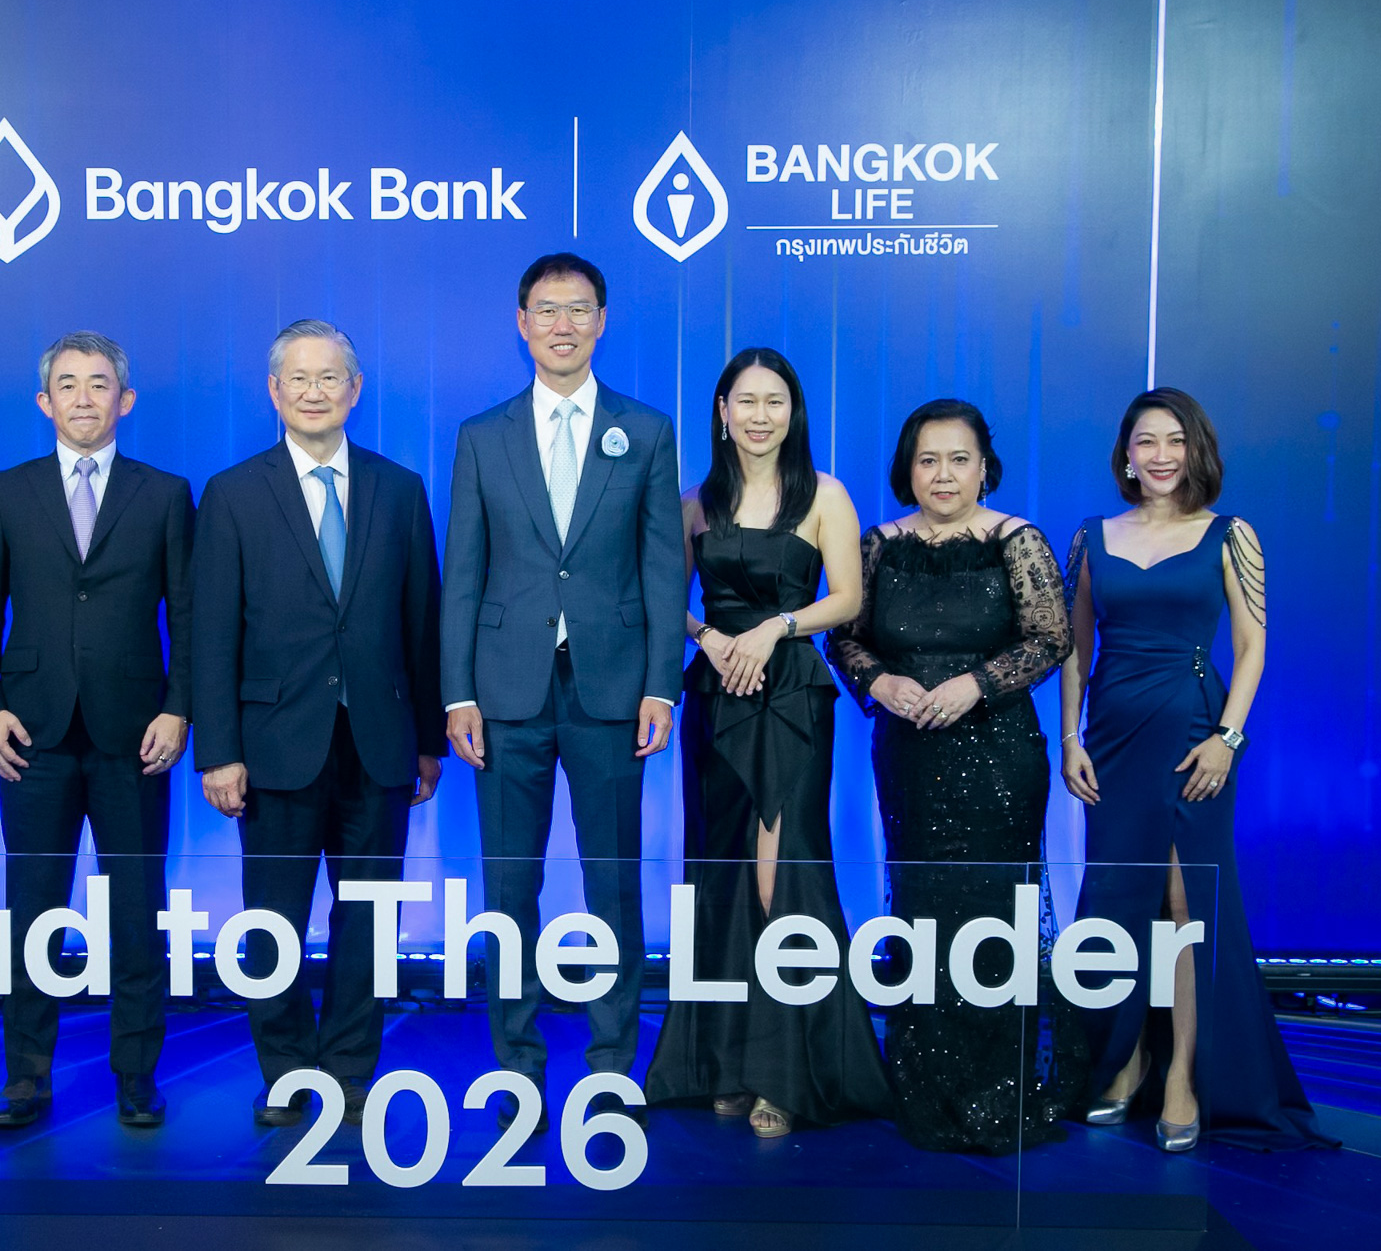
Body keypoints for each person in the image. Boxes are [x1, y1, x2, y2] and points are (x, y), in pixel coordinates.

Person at [441, 253, 684, 1125]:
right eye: (546, 310)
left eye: (579, 309)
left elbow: (664, 568)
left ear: (602, 321)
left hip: (613, 691)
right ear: (521, 322)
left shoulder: (646, 430)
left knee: (613, 881)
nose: (563, 325)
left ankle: (613, 1064)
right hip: (503, 694)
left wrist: (662, 685)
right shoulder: (482, 435)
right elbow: (462, 574)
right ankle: (517, 1066)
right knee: (510, 887)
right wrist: (457, 694)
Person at [1061, 388, 1337, 1152]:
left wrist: (1228, 738)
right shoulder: (1091, 538)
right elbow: (1075, 650)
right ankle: (1125, 1059)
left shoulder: (1230, 534)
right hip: (1112, 734)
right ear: (1126, 454)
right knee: (1119, 898)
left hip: (1192, 729)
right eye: (1146, 441)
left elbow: (1251, 647)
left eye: (1175, 441)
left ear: (1196, 451)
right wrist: (1069, 738)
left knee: (1187, 906)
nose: (1160, 455)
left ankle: (1183, 1071)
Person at [192, 319, 444, 1128]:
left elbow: (422, 622)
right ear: (274, 391)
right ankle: (286, 1072)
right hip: (271, 746)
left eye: (329, 377)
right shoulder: (232, 493)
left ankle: (350, 1070)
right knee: (272, 921)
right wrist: (218, 750)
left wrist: (429, 741)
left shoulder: (399, 489)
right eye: (298, 378)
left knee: (368, 919)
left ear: (354, 389)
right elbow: (210, 632)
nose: (313, 392)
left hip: (380, 743)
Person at [826, 398, 1085, 1155]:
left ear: (984, 467)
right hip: (908, 755)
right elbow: (844, 638)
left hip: (998, 752)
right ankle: (927, 1096)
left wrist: (976, 684)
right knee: (922, 912)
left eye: (959, 459)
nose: (944, 474)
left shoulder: (1017, 541)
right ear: (908, 469)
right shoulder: (879, 545)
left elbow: (1051, 639)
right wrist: (879, 683)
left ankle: (997, 1094)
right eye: (928, 460)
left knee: (994, 915)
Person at [643, 348, 890, 1137]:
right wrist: (708, 637)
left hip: (789, 696)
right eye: (745, 401)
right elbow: (660, 598)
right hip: (717, 696)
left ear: (794, 412)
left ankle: (787, 1072)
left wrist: (776, 626)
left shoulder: (826, 494)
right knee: (719, 873)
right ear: (722, 412)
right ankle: (725, 1064)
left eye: (774, 401)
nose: (759, 415)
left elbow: (847, 599)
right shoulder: (694, 503)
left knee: (782, 875)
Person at [0, 331, 191, 1130]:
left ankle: (136, 1074)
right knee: (32, 912)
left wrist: (179, 707)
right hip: (31, 733)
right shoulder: (5, 491)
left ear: (125, 400)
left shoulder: (166, 494)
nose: (84, 398)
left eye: (100, 384)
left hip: (137, 735)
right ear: (44, 401)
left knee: (137, 913)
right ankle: (26, 1077)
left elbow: (190, 615)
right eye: (68, 384)